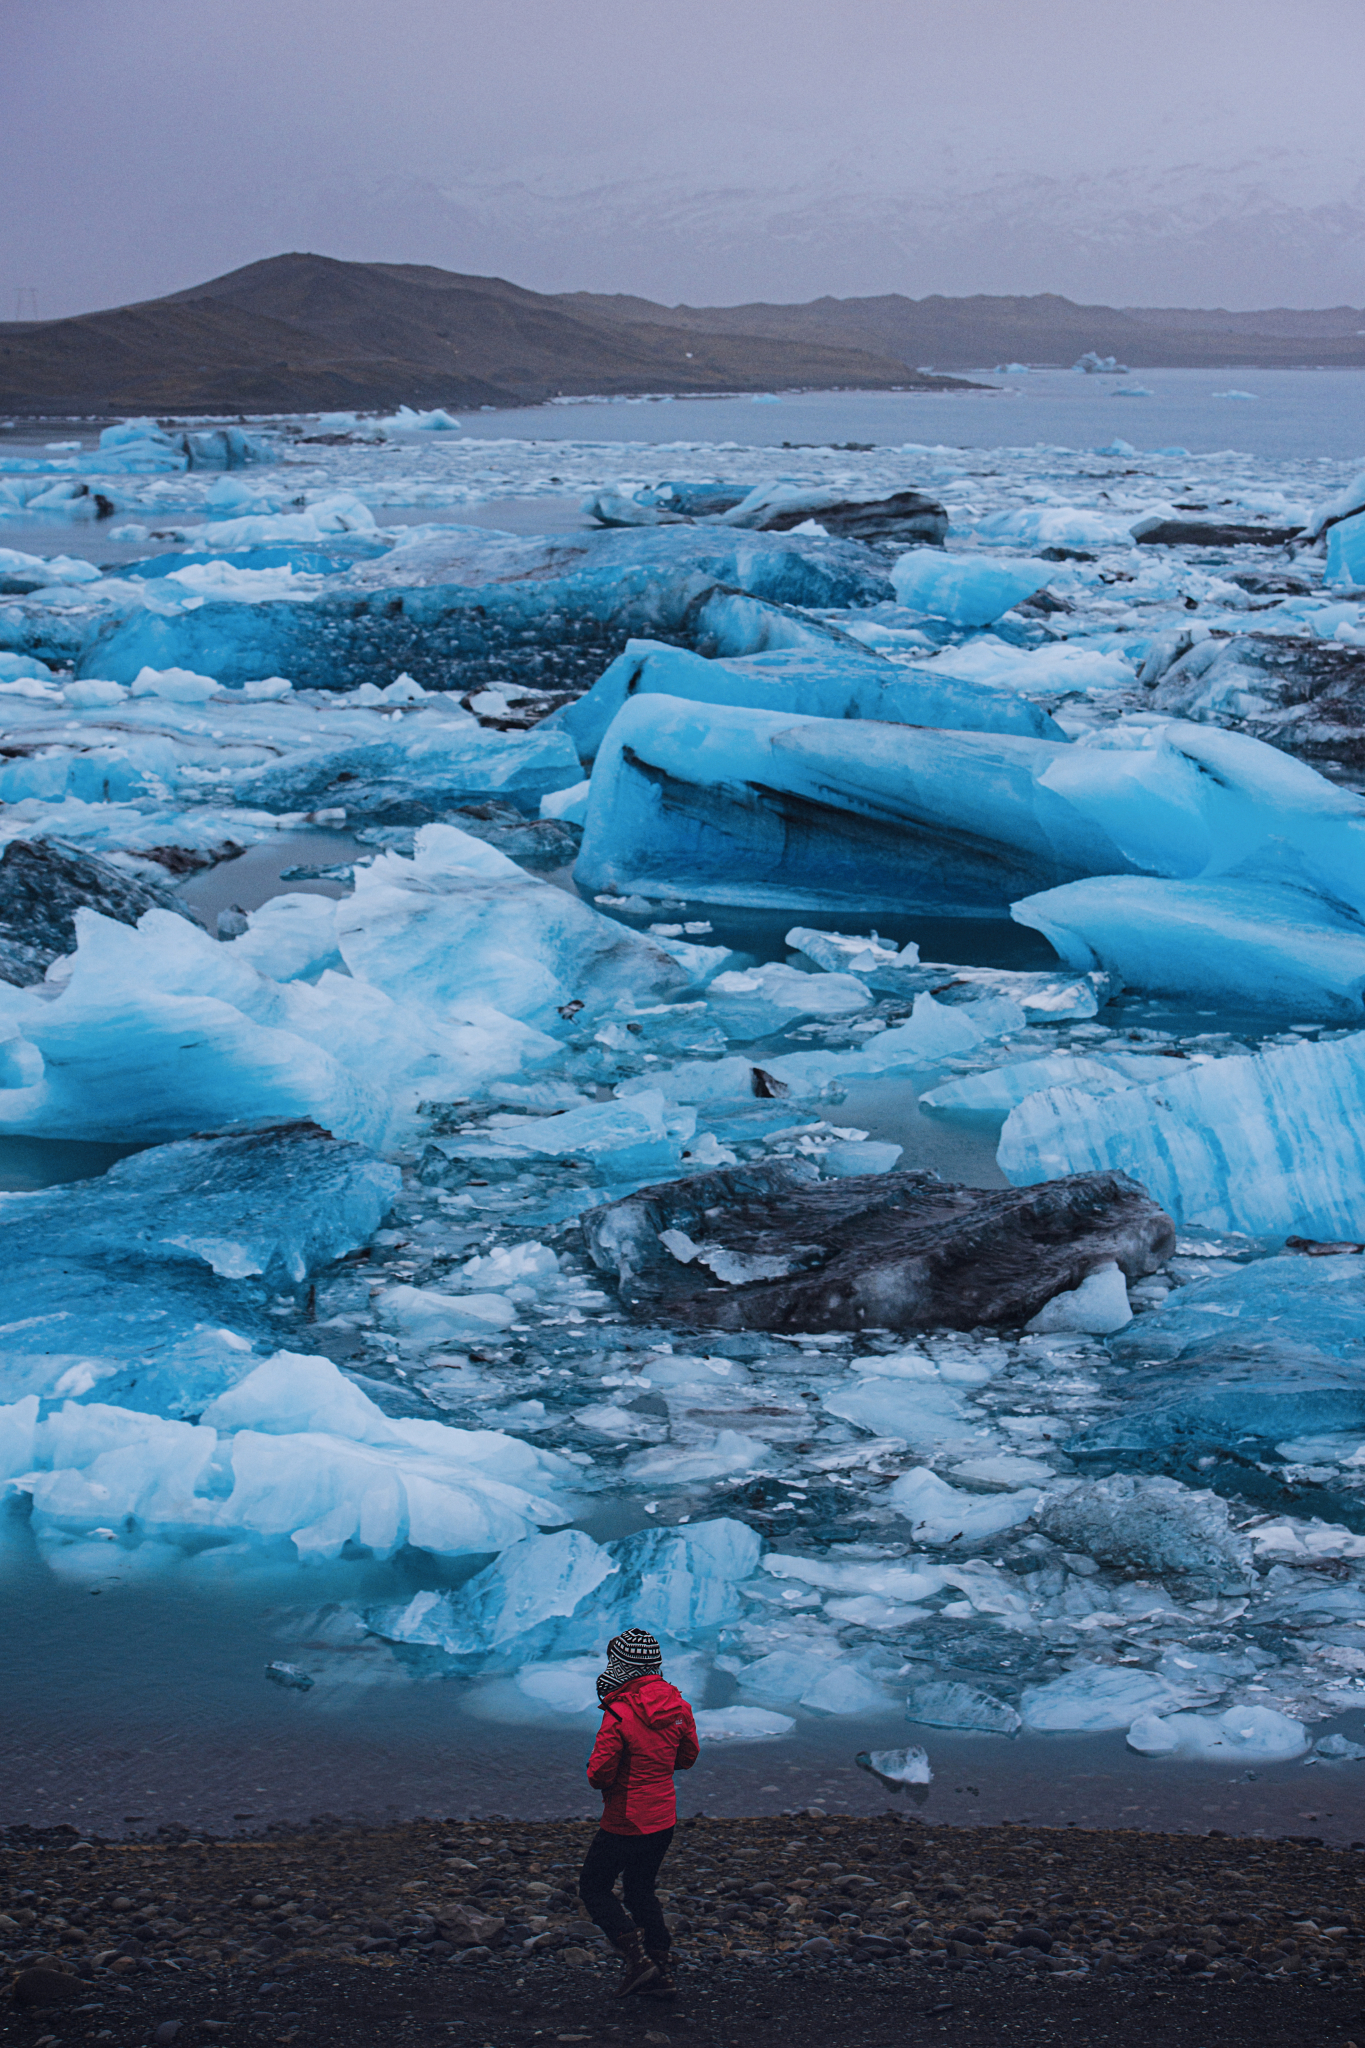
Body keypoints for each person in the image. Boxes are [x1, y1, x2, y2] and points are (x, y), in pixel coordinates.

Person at [578, 1627, 700, 1997]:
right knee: (640, 1890)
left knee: (594, 1887)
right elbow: (688, 1756)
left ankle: (638, 1961)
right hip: (663, 1817)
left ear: (623, 1666)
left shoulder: (620, 1712)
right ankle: (661, 1965)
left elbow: (599, 1774)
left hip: (626, 1818)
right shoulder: (679, 1706)